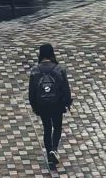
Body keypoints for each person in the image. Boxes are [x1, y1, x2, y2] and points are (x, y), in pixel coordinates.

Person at [26, 42, 73, 170]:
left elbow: (31, 91)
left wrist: (34, 106)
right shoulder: (59, 69)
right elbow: (65, 88)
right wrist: (68, 102)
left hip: (42, 104)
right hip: (56, 104)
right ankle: (54, 149)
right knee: (57, 126)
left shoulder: (35, 70)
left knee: (47, 128)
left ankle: (49, 154)